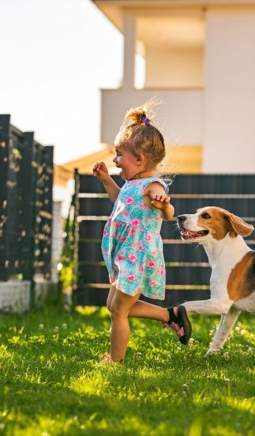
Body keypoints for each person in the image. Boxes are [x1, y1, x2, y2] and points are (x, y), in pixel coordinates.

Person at [92, 105, 191, 363]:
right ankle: (171, 316)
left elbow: (169, 213)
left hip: (138, 255)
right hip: (125, 254)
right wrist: (106, 181)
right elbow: (121, 203)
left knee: (118, 310)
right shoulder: (130, 185)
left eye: (119, 155)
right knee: (113, 305)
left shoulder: (152, 186)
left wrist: (163, 204)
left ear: (139, 160)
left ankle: (116, 360)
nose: (115, 160)